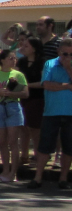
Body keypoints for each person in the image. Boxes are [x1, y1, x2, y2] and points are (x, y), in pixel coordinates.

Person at [28, 37, 72, 189]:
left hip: (70, 113)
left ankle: (63, 178)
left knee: (69, 147)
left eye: (70, 54)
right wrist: (67, 86)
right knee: (44, 146)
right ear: (59, 51)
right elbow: (47, 85)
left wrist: (68, 69)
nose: (67, 57)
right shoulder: (50, 64)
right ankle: (38, 177)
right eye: (64, 54)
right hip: (51, 112)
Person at [0, 49, 29, 182]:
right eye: (10, 58)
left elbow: (25, 94)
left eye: (14, 58)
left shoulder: (18, 75)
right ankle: (5, 170)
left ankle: (13, 173)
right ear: (2, 60)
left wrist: (11, 93)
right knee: (2, 142)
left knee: (13, 141)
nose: (13, 60)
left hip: (13, 107)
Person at [17, 37, 45, 168]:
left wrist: (26, 85)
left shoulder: (41, 63)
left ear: (34, 49)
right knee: (23, 128)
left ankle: (37, 155)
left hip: (36, 98)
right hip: (22, 97)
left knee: (35, 129)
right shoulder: (21, 62)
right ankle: (24, 155)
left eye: (26, 46)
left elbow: (43, 83)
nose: (23, 47)